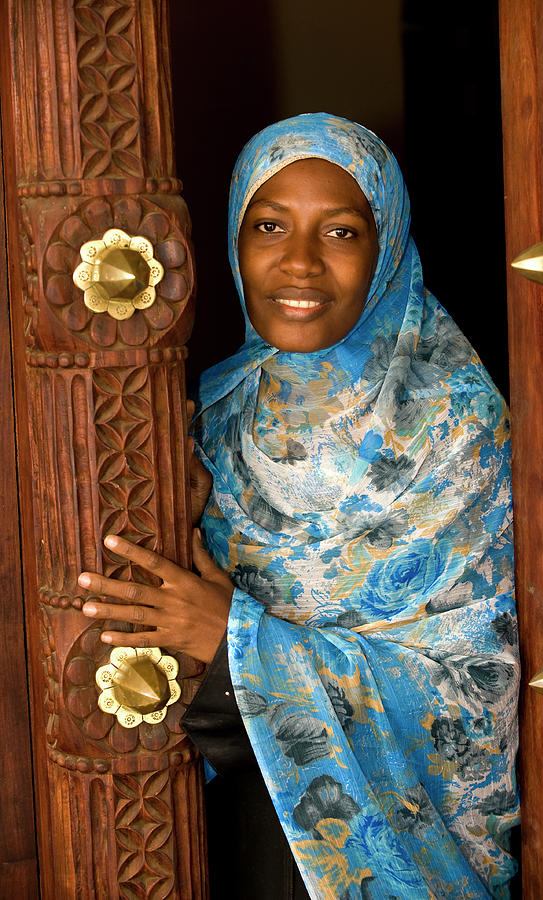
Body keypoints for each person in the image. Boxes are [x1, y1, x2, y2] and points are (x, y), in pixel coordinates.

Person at [79, 113, 520, 899]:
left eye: (342, 232)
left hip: (400, 842)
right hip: (222, 829)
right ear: (232, 240)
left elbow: (475, 690)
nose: (299, 263)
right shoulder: (205, 414)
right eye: (268, 225)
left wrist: (234, 639)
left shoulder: (455, 424)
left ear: (387, 249)